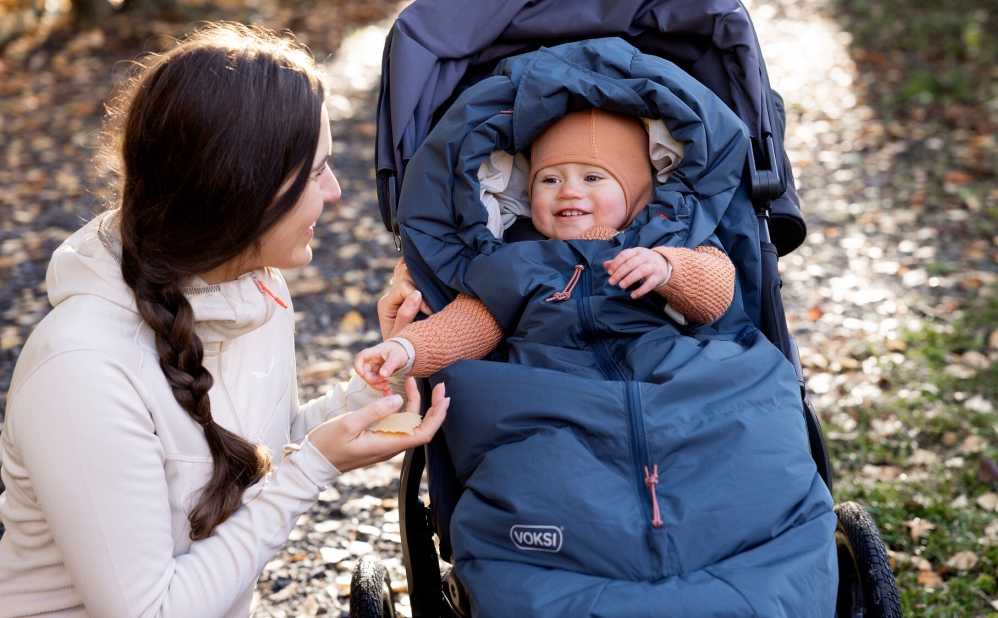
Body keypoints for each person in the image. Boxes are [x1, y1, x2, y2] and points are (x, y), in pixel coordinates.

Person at [0, 23, 447, 618]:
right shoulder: (80, 371)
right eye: (317, 172)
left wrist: (376, 388)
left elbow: (258, 448)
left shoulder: (255, 290)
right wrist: (312, 470)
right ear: (241, 190)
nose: (336, 192)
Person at [354, 108, 736, 384]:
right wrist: (406, 349)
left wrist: (668, 269)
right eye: (549, 180)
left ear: (636, 192)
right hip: (550, 391)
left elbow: (717, 293)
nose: (569, 191)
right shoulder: (512, 259)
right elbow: (467, 323)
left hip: (664, 377)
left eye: (591, 177)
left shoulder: (668, 239)